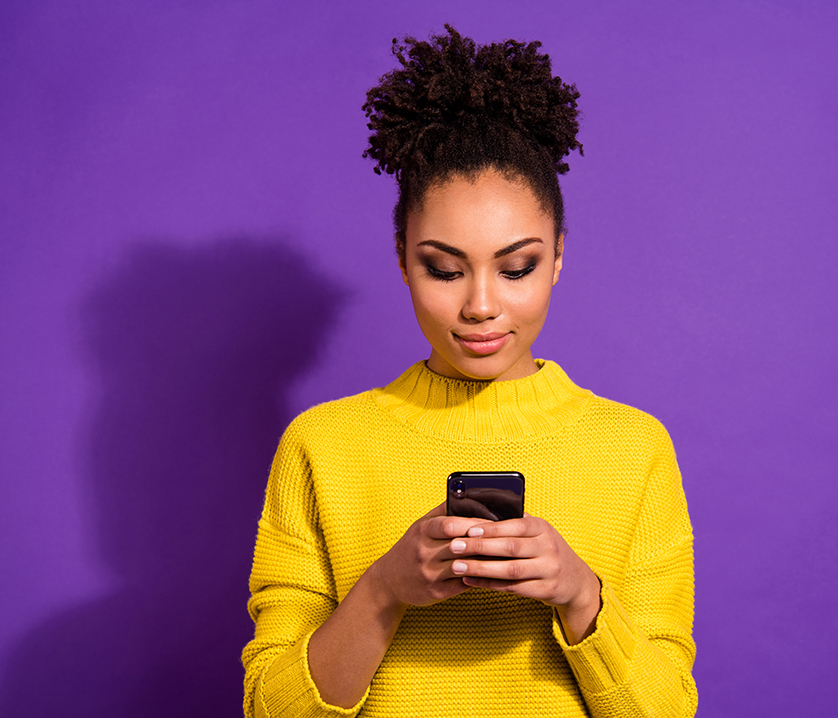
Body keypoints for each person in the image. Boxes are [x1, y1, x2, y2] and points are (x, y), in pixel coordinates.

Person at [241, 25, 696, 718]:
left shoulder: (636, 450)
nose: (481, 306)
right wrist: (385, 589)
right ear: (402, 258)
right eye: (444, 269)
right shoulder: (322, 445)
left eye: (517, 268)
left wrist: (581, 596)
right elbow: (269, 710)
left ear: (559, 256)